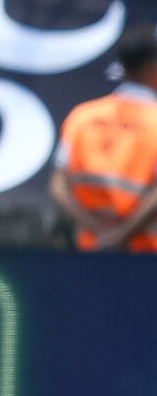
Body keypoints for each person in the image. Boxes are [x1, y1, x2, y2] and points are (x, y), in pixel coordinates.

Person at [52, 26, 157, 252]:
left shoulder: (82, 116)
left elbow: (59, 185)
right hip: (146, 259)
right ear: (153, 67)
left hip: (92, 252)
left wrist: (98, 232)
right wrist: (121, 235)